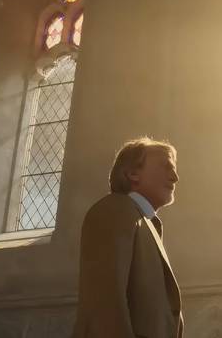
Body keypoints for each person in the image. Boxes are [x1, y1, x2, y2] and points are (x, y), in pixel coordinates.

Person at [73, 137, 183, 338]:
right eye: (166, 166)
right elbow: (105, 302)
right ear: (133, 173)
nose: (175, 177)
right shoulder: (115, 210)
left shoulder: (143, 220)